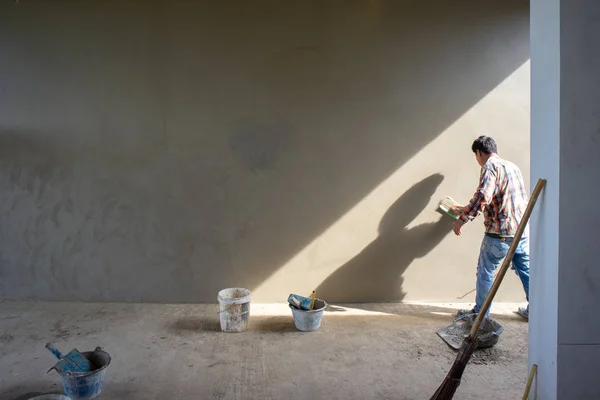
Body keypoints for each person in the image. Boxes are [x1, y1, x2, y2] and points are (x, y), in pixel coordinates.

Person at [451, 136, 530, 320]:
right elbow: (502, 199)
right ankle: (537, 309)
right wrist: (465, 207)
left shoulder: (489, 167)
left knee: (486, 273)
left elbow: (483, 196)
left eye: (476, 156)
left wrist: (462, 219)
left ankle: (481, 314)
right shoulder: (512, 167)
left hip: (499, 234)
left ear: (479, 153)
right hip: (521, 233)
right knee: (526, 271)